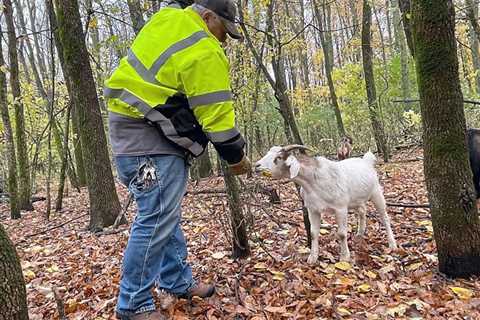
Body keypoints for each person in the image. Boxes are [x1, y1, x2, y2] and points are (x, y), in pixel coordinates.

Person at [103, 0, 251, 318]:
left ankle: (177, 280)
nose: (223, 38)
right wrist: (236, 157)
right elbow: (217, 119)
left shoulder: (168, 18)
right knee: (156, 219)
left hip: (131, 131)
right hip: (150, 141)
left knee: (163, 215)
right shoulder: (204, 48)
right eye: (223, 30)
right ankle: (133, 304)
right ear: (207, 17)